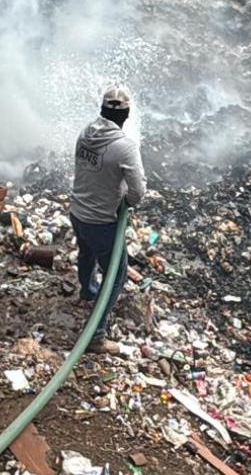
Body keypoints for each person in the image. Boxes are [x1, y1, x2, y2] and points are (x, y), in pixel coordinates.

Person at [70, 86, 146, 352]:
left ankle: (88, 291)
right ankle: (96, 336)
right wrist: (126, 200)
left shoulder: (85, 134)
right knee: (116, 275)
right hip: (101, 222)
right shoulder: (125, 147)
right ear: (126, 114)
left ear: (102, 110)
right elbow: (138, 192)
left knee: (86, 253)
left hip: (77, 212)